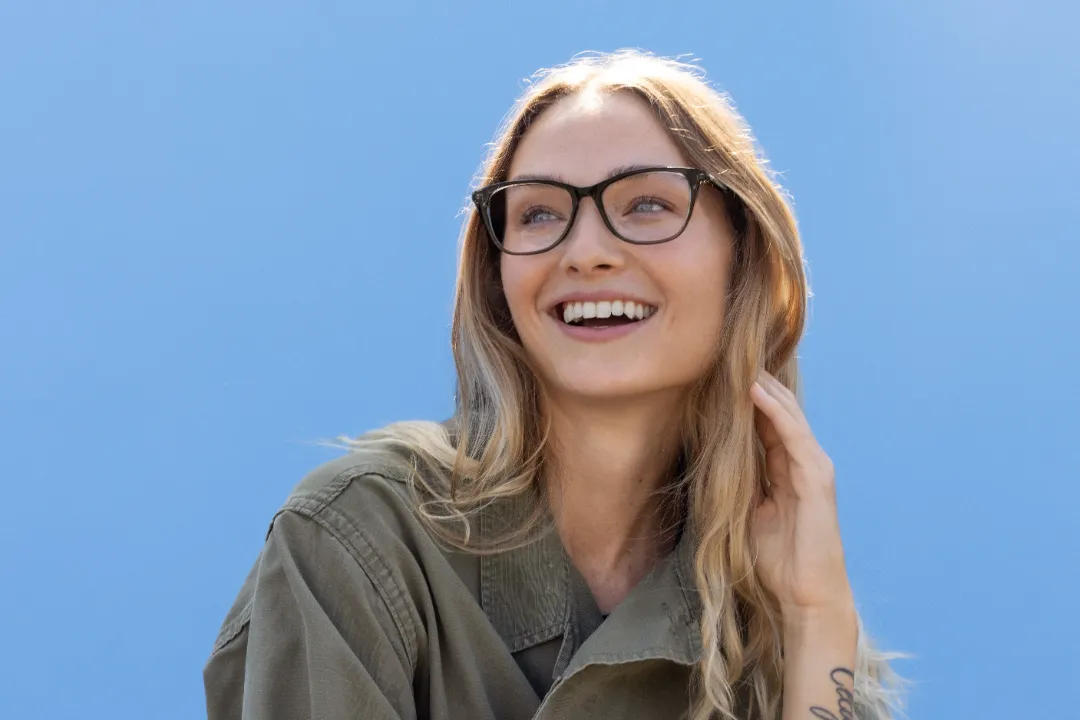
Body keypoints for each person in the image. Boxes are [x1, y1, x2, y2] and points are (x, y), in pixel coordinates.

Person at [203, 50, 906, 720]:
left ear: (742, 258)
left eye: (647, 205)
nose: (588, 252)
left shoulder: (772, 616)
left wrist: (817, 621)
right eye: (539, 213)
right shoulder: (357, 541)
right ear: (498, 279)